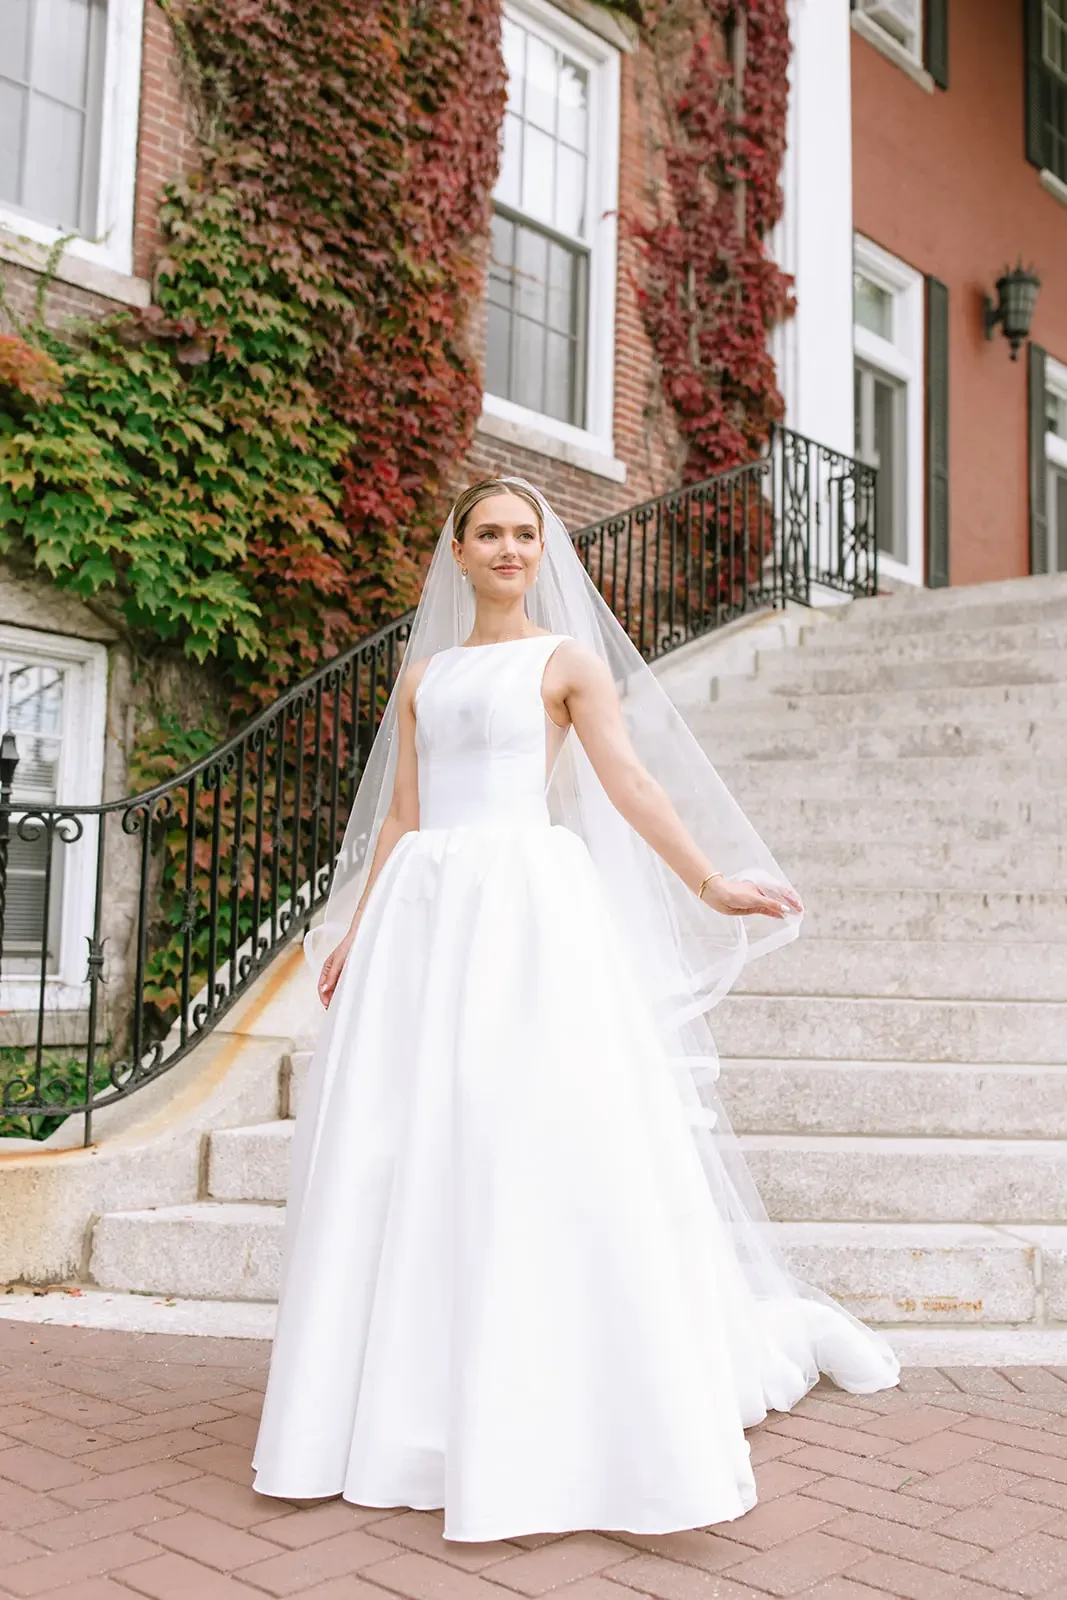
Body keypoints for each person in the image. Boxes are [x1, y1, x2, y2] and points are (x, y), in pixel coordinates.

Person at [250, 477, 899, 1541]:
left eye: (523, 534)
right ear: (454, 553)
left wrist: (709, 882)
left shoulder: (565, 662)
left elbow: (631, 782)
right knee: (402, 1146)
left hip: (521, 915)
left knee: (525, 1139)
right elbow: (405, 813)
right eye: (488, 534)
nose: (508, 549)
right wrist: (355, 932)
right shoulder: (422, 674)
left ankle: (548, 1398)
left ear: (539, 550)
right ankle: (402, 1406)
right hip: (422, 917)